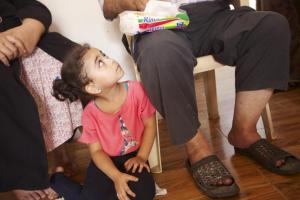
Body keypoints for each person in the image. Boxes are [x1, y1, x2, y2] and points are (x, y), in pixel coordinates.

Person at [99, 0, 300, 198]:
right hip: (158, 24)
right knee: (159, 52)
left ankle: (244, 132)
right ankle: (197, 148)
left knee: (271, 26)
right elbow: (108, 8)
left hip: (214, 15)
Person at [51, 44, 156, 200]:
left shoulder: (137, 91)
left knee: (146, 194)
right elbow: (96, 152)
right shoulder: (90, 114)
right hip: (105, 162)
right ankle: (57, 180)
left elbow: (150, 125)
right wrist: (116, 176)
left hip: (134, 156)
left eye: (104, 55)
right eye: (100, 62)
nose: (111, 60)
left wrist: (141, 157)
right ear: (92, 87)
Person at [0, 0, 81, 199]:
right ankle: (22, 176)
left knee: (65, 61)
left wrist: (29, 29)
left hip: (19, 39)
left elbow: (36, 8)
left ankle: (58, 151)